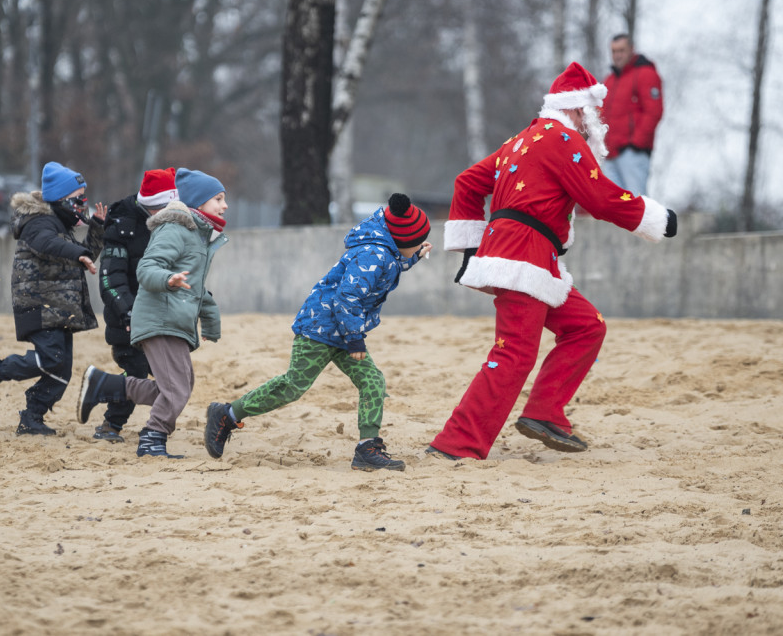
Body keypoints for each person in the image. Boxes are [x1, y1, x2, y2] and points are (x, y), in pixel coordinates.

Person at [427, 62, 678, 461]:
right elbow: (601, 198)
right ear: (579, 108)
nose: (594, 121)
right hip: (524, 255)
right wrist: (656, 219)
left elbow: (467, 182)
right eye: (592, 113)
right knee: (514, 353)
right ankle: (456, 443)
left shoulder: (522, 139)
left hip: (527, 256)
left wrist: (474, 248)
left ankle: (544, 413)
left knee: (585, 327)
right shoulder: (564, 139)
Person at [203, 193, 433, 472]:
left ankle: (367, 448)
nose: (421, 244)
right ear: (401, 240)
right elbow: (347, 298)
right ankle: (226, 414)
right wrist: (355, 339)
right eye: (417, 242)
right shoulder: (373, 253)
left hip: (342, 330)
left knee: (373, 381)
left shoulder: (384, 249)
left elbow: (389, 266)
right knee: (293, 386)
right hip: (319, 328)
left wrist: (414, 257)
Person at [76, 168, 229, 458]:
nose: (224, 205)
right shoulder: (176, 228)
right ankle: (152, 437)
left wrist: (211, 324)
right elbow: (146, 268)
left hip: (171, 317)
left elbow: (196, 288)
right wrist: (166, 280)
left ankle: (105, 385)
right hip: (158, 317)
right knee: (176, 389)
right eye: (218, 199)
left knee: (179, 386)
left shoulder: (197, 236)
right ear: (196, 201)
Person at [0, 162, 106, 436]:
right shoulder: (37, 222)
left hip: (59, 309)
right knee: (49, 360)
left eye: (84, 196)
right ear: (59, 198)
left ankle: (31, 417)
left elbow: (83, 256)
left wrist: (98, 229)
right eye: (77, 198)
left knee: (61, 371)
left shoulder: (61, 224)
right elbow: (49, 245)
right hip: (39, 305)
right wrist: (76, 253)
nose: (83, 203)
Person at [89, 167, 179, 443]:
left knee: (173, 377)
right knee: (139, 370)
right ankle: (111, 423)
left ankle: (148, 422)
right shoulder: (121, 225)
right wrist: (128, 313)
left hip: (159, 317)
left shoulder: (170, 226)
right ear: (153, 206)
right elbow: (110, 279)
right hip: (127, 318)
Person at [601, 34, 663, 196]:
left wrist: (636, 144)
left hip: (632, 153)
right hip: (610, 154)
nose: (617, 55)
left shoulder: (646, 74)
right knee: (615, 208)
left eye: (621, 50)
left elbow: (654, 111)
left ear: (631, 50)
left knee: (638, 204)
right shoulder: (610, 80)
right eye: (614, 51)